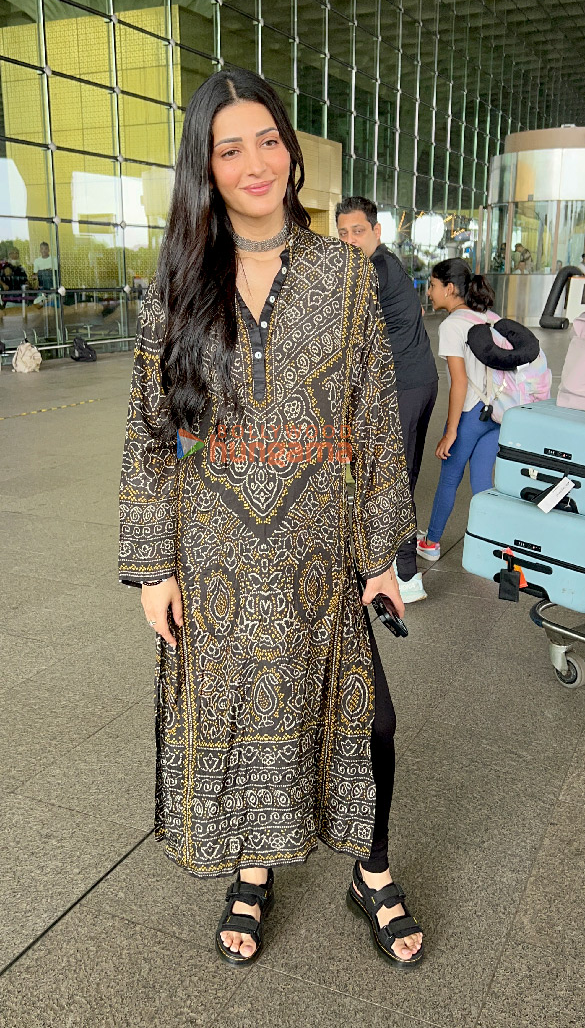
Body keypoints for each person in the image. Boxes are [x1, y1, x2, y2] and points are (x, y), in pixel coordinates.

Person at [119, 68, 424, 970]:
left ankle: (368, 870)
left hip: (321, 549)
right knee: (243, 715)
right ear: (203, 168)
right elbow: (148, 435)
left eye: (268, 141)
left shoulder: (343, 274)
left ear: (289, 152)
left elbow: (371, 414)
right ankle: (251, 871)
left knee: (370, 721)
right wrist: (153, 565)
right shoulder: (177, 280)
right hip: (211, 554)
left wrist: (378, 553)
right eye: (229, 147)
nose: (255, 162)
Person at [336, 196, 438, 603]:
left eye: (357, 231)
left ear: (377, 232)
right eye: (342, 233)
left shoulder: (373, 268)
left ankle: (407, 576)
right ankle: (393, 556)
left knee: (391, 480)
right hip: (419, 380)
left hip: (403, 387)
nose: (349, 240)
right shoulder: (388, 261)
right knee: (402, 474)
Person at [417, 259, 499, 561]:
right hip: (495, 412)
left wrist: (450, 432)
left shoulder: (453, 325)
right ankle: (494, 546)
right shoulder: (487, 317)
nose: (430, 293)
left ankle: (431, 542)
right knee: (483, 482)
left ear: (450, 288)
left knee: (450, 479)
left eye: (434, 286)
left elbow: (460, 383)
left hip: (470, 415)